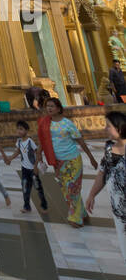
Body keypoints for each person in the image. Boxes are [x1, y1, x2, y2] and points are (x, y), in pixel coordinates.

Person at [40, 97, 98, 227]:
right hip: (58, 162)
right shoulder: (45, 124)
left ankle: (75, 218)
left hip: (72, 160)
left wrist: (91, 158)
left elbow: (80, 140)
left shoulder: (67, 124)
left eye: (52, 106)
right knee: (66, 190)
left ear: (59, 108)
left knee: (73, 189)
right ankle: (82, 213)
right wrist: (39, 157)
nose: (49, 108)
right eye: (47, 106)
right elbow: (42, 142)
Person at [86, 112, 126, 262]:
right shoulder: (109, 148)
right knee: (124, 241)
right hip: (119, 209)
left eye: (108, 126)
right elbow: (102, 172)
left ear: (120, 128)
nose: (105, 129)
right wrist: (91, 195)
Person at [6, 119, 48, 214]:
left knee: (38, 187)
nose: (19, 131)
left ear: (26, 130)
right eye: (18, 129)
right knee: (25, 188)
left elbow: (37, 152)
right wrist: (10, 158)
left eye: (21, 129)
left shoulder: (30, 141)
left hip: (32, 169)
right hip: (24, 169)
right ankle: (26, 206)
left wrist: (36, 166)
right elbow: (17, 152)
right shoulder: (19, 142)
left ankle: (44, 205)